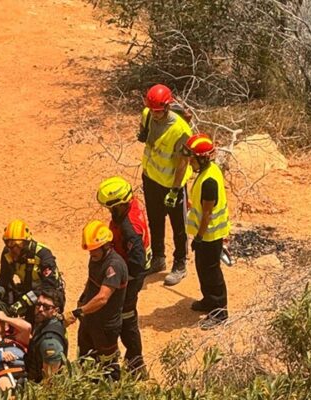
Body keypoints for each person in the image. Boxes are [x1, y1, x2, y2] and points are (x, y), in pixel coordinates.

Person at [137, 84, 193, 286]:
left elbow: (182, 163)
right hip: (151, 178)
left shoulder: (180, 130)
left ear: (168, 107)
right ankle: (158, 258)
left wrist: (176, 190)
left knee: (179, 225)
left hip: (172, 184)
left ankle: (180, 264)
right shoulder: (148, 114)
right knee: (155, 219)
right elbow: (144, 134)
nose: (155, 114)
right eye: (152, 110)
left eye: (158, 111)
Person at [96, 177, 151, 376]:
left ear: (120, 204)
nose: (110, 212)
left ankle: (136, 364)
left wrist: (120, 281)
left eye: (112, 208)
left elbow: (136, 263)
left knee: (127, 320)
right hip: (129, 274)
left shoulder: (130, 229)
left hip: (130, 280)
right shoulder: (131, 206)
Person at [64, 221, 128, 381]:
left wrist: (78, 312)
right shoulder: (95, 259)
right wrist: (82, 298)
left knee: (108, 367)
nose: (91, 253)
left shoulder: (114, 266)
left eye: (94, 249)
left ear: (106, 246)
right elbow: (91, 281)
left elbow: (102, 298)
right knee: (84, 360)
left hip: (106, 326)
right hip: (89, 320)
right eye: (89, 250)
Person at [183, 133, 231, 330]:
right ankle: (208, 300)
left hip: (210, 235)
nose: (189, 161)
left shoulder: (209, 181)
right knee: (202, 268)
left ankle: (219, 310)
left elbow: (208, 214)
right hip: (205, 235)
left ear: (202, 158)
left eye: (192, 158)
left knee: (211, 272)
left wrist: (200, 237)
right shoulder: (208, 171)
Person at [0, 219, 65, 324]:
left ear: (26, 243)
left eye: (18, 246)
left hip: (48, 296)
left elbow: (48, 287)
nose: (13, 250)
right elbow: (4, 277)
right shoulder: (7, 253)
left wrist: (22, 303)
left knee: (44, 325)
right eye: (9, 244)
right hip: (27, 290)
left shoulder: (43, 254)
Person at [25, 287, 68, 383]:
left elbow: (50, 380)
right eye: (38, 304)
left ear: (56, 310)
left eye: (46, 307)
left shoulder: (49, 341)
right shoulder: (49, 323)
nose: (40, 309)